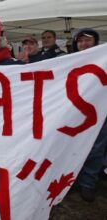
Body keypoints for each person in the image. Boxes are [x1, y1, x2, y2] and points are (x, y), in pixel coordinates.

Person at [72, 28, 106, 202]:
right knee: (72, 147)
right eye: (80, 41)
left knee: (95, 148)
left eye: (88, 40)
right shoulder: (67, 62)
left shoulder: (104, 61)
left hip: (98, 113)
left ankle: (88, 183)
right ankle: (72, 180)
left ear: (95, 42)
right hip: (73, 113)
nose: (84, 44)